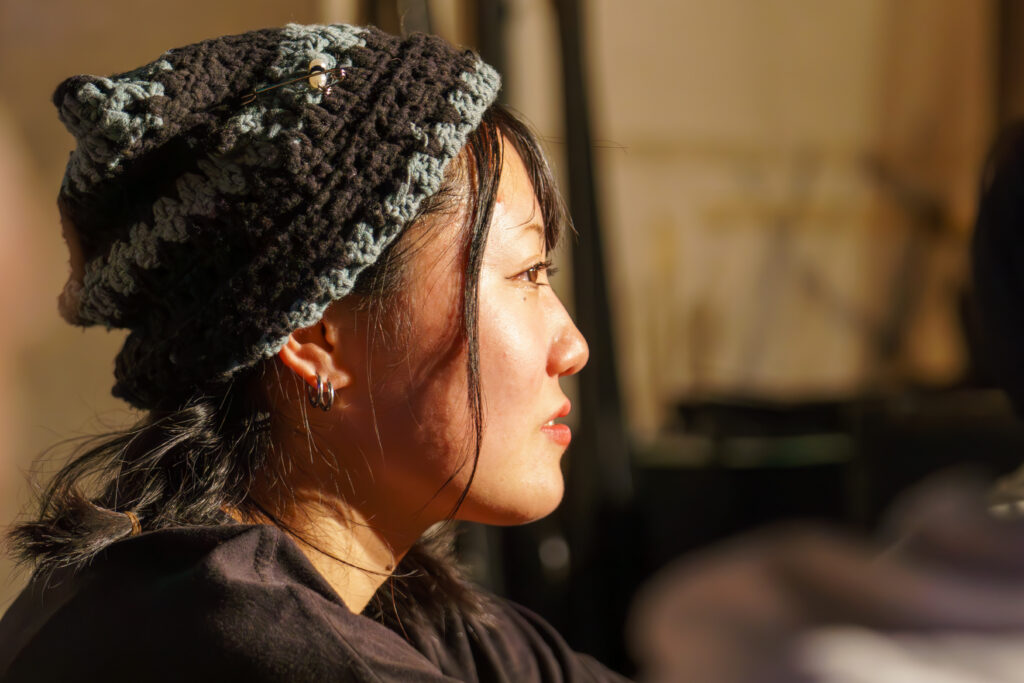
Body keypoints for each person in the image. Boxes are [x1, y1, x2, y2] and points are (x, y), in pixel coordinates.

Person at [0, 23, 626, 682]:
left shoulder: (377, 607)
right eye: (528, 273)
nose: (574, 346)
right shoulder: (259, 650)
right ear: (313, 337)